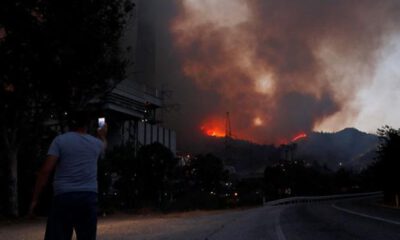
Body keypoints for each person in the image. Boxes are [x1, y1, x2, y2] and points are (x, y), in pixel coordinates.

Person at [29, 111, 107, 240]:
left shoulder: (60, 141)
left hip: (64, 196)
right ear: (87, 124)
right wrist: (102, 135)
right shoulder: (96, 143)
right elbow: (104, 145)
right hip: (88, 196)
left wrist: (35, 199)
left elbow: (45, 171)